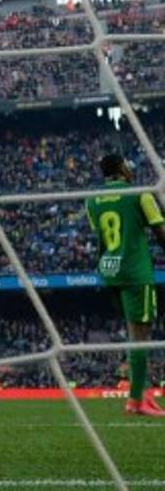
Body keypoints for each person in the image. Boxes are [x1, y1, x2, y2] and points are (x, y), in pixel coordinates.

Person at [85, 153, 165, 417]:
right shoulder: (140, 194)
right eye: (128, 165)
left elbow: (101, 241)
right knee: (140, 338)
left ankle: (140, 393)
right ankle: (135, 401)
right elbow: (161, 232)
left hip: (110, 272)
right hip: (135, 273)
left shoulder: (92, 200)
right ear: (121, 168)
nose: (131, 169)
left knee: (134, 335)